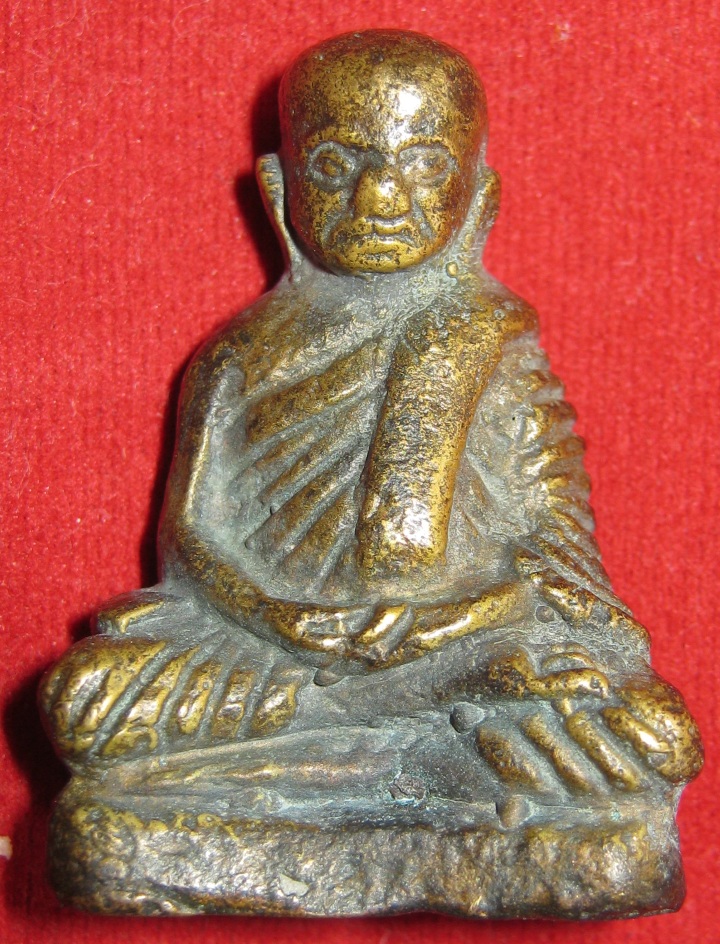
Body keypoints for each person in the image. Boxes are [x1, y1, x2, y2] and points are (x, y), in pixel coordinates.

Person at [41, 31, 701, 916]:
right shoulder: (237, 354)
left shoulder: (490, 340)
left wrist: (460, 620)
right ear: (279, 191)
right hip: (271, 648)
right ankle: (417, 730)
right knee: (84, 701)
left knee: (650, 732)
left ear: (480, 195)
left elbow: (553, 546)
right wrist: (280, 619)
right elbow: (192, 541)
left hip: (471, 640)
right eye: (335, 165)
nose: (381, 198)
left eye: (425, 165)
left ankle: (382, 729)